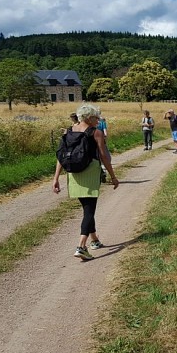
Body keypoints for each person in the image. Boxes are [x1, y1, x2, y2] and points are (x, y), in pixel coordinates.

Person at [52, 104, 119, 260]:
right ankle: (81, 246)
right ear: (89, 118)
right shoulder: (96, 133)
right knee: (90, 210)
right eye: (96, 117)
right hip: (90, 173)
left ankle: (94, 240)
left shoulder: (69, 131)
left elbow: (61, 156)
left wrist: (56, 178)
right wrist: (113, 176)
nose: (98, 120)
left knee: (86, 208)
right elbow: (104, 157)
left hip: (74, 174)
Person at [96, 115, 111, 182]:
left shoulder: (91, 123)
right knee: (106, 157)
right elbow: (105, 133)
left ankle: (99, 173)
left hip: (93, 144)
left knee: (97, 158)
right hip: (102, 143)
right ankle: (103, 171)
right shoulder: (102, 123)